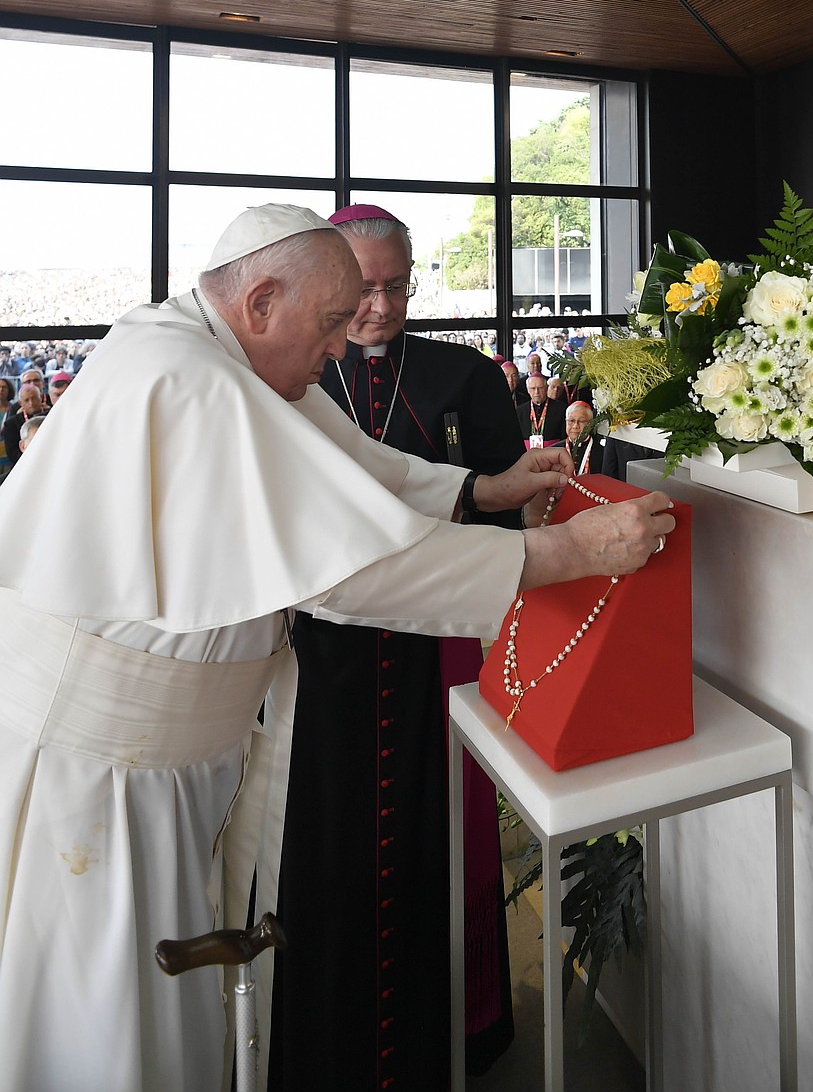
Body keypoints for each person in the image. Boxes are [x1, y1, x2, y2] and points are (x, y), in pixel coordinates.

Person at [0, 204, 675, 1092]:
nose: (339, 349)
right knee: (117, 1015)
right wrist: (559, 554)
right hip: (113, 771)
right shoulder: (189, 379)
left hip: (171, 754)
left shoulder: (213, 347)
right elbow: (343, 570)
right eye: (328, 325)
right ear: (263, 298)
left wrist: (479, 486)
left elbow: (353, 465)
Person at [272, 205, 525, 1090]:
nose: (376, 308)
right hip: (325, 667)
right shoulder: (294, 380)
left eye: (394, 284)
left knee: (438, 848)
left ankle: (458, 1027)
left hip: (437, 656)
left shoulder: (462, 374)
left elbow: (493, 497)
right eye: (361, 289)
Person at [517, 371, 566, 447]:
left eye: (540, 388)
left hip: (553, 453)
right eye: (533, 388)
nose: (537, 392)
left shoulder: (561, 409)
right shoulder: (519, 411)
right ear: (528, 390)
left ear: (546, 388)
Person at [565, 398, 602, 477]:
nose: (575, 426)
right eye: (571, 421)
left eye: (581, 421)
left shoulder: (602, 453)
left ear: (590, 425)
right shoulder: (555, 449)